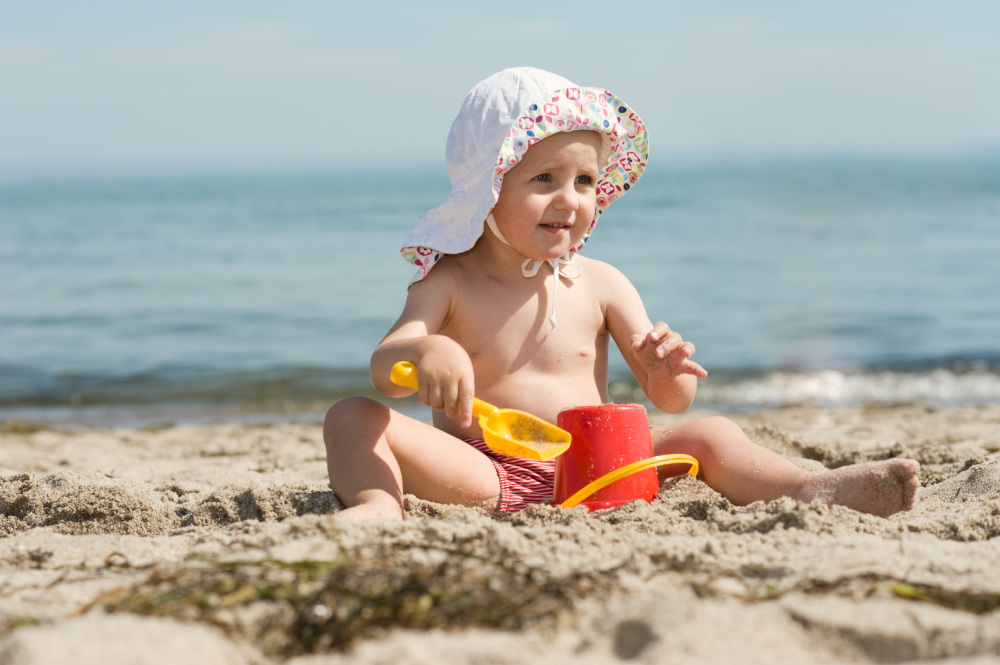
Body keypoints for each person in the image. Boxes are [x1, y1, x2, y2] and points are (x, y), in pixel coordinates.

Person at [323, 67, 920, 521]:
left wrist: (667, 369)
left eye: (585, 180)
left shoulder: (602, 283)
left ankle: (809, 489)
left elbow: (674, 401)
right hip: (483, 473)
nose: (571, 199)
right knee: (352, 417)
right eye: (544, 179)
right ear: (485, 189)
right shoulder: (449, 281)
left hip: (602, 467)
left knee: (708, 432)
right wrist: (426, 353)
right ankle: (379, 504)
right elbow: (385, 368)